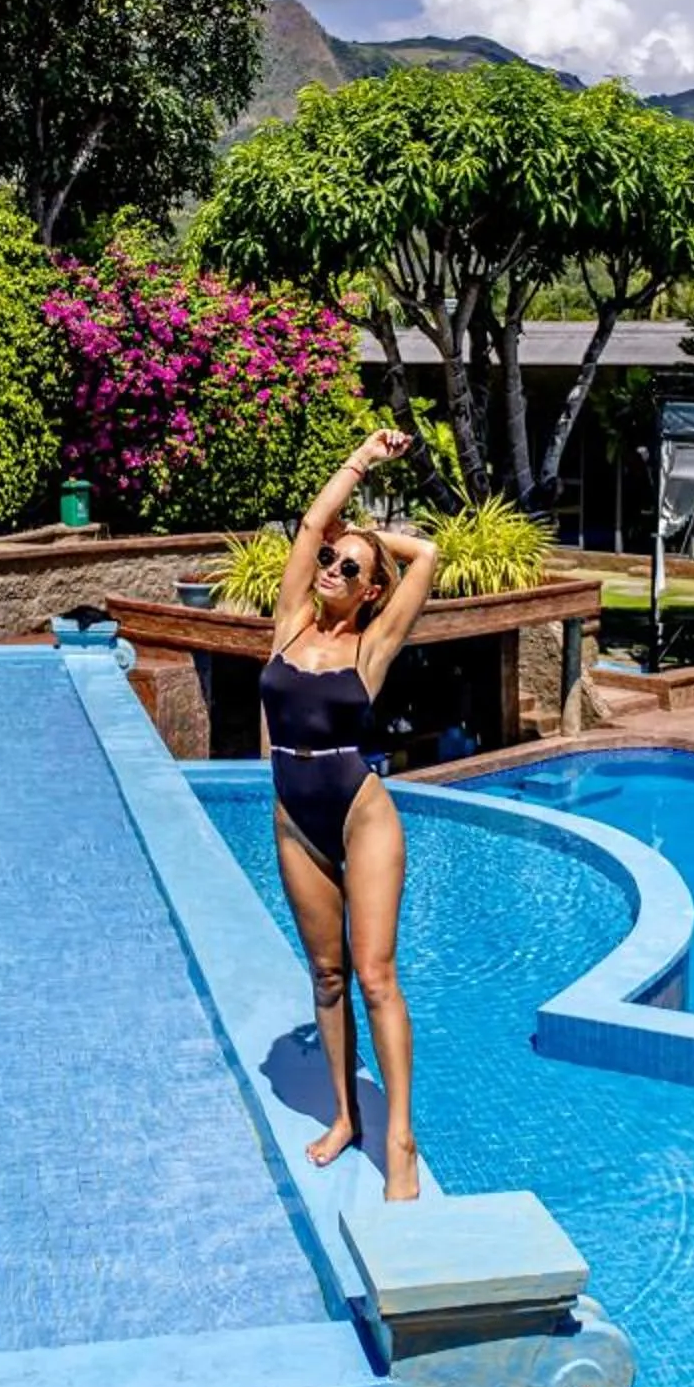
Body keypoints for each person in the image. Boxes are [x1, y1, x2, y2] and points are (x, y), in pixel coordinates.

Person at [261, 429, 441, 1200]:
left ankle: (399, 1138)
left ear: (371, 591)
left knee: (374, 974)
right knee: (327, 976)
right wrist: (361, 461)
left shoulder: (372, 646)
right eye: (331, 560)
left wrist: (372, 536)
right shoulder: (290, 624)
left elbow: (426, 557)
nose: (333, 568)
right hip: (294, 816)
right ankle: (344, 1117)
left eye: (350, 568)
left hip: (360, 814)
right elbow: (310, 525)